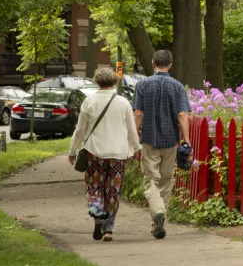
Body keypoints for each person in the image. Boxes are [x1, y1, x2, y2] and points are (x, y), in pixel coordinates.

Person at [68, 67, 141, 242]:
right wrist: (137, 149)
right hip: (117, 154)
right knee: (113, 190)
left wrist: (72, 151)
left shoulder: (89, 102)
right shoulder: (123, 102)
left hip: (95, 152)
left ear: (96, 82)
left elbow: (80, 130)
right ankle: (108, 228)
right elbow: (132, 130)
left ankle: (96, 211)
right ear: (115, 82)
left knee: (94, 186)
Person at [132, 49, 190, 240]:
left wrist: (132, 139)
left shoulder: (142, 85)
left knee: (151, 180)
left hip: (149, 139)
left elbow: (138, 114)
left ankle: (158, 212)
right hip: (170, 140)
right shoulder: (178, 87)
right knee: (166, 179)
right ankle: (159, 216)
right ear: (170, 65)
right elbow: (182, 115)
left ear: (153, 63)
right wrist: (187, 140)